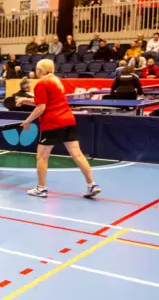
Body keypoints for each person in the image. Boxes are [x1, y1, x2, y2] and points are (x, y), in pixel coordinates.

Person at [16, 59, 100, 199]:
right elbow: (46, 101)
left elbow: (41, 107)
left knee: (42, 156)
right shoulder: (56, 81)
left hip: (52, 122)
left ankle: (41, 188)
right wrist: (25, 100)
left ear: (40, 70)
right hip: (68, 120)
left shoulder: (41, 83)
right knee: (77, 154)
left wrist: (27, 121)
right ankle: (92, 184)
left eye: (37, 68)